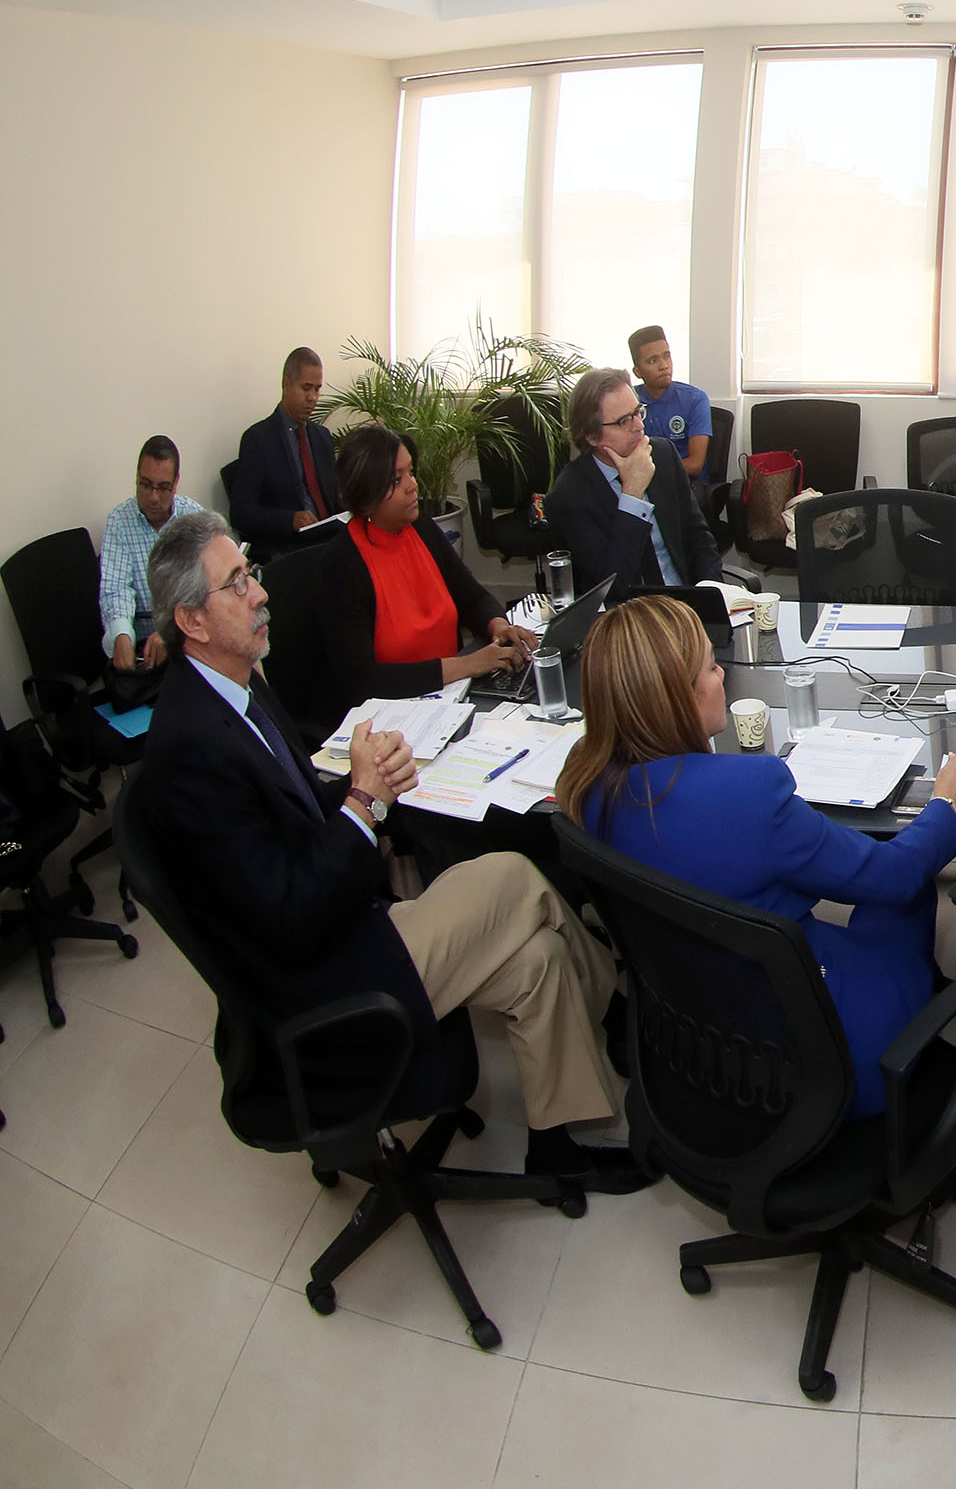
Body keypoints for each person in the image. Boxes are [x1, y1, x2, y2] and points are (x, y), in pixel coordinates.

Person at [137, 511, 639, 1187]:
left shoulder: (237, 684)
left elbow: (287, 811)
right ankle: (622, 1014)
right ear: (191, 621)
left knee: (539, 960)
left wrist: (361, 780)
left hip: (344, 928)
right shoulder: (189, 750)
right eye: (237, 584)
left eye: (250, 574)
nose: (260, 592)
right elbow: (289, 914)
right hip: (318, 985)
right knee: (518, 878)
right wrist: (363, 804)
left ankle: (555, 1150)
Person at [560, 596, 956, 1121]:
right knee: (904, 888)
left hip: (699, 1044)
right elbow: (892, 877)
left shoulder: (584, 787)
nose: (722, 676)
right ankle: (915, 1031)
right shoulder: (749, 793)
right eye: (712, 666)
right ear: (680, 695)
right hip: (830, 1058)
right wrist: (943, 805)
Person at [321, 424, 538, 705]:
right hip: (396, 709)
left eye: (410, 472)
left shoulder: (422, 528)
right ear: (366, 492)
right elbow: (361, 680)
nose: (413, 485)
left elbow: (471, 597)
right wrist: (469, 664)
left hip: (452, 693)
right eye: (396, 479)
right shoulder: (342, 564)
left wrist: (498, 626)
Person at [547, 367, 722, 593]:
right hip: (627, 610)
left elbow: (699, 539)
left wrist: (711, 593)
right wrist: (632, 495)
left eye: (638, 412)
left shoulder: (663, 455)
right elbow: (613, 586)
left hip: (686, 602)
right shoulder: (569, 495)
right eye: (623, 421)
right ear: (591, 436)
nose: (639, 426)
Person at [101, 435, 206, 672]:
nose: (153, 497)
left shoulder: (193, 518)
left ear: (176, 483)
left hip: (191, 639)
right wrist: (121, 635)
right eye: (145, 485)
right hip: (144, 651)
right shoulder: (119, 522)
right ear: (136, 477)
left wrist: (172, 631)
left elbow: (209, 587)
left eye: (163, 488)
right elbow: (116, 589)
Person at [230, 346, 340, 561]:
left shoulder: (322, 437)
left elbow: (334, 498)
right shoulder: (259, 439)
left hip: (330, 542)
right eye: (306, 388)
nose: (313, 398)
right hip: (289, 550)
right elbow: (241, 513)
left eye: (317, 389)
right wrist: (290, 520)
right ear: (286, 384)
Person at [628, 326, 712, 480]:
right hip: (641, 481)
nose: (664, 366)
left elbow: (695, 465)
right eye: (653, 360)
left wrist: (645, 470)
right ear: (637, 372)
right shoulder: (630, 401)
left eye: (666, 356)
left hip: (685, 483)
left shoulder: (695, 399)